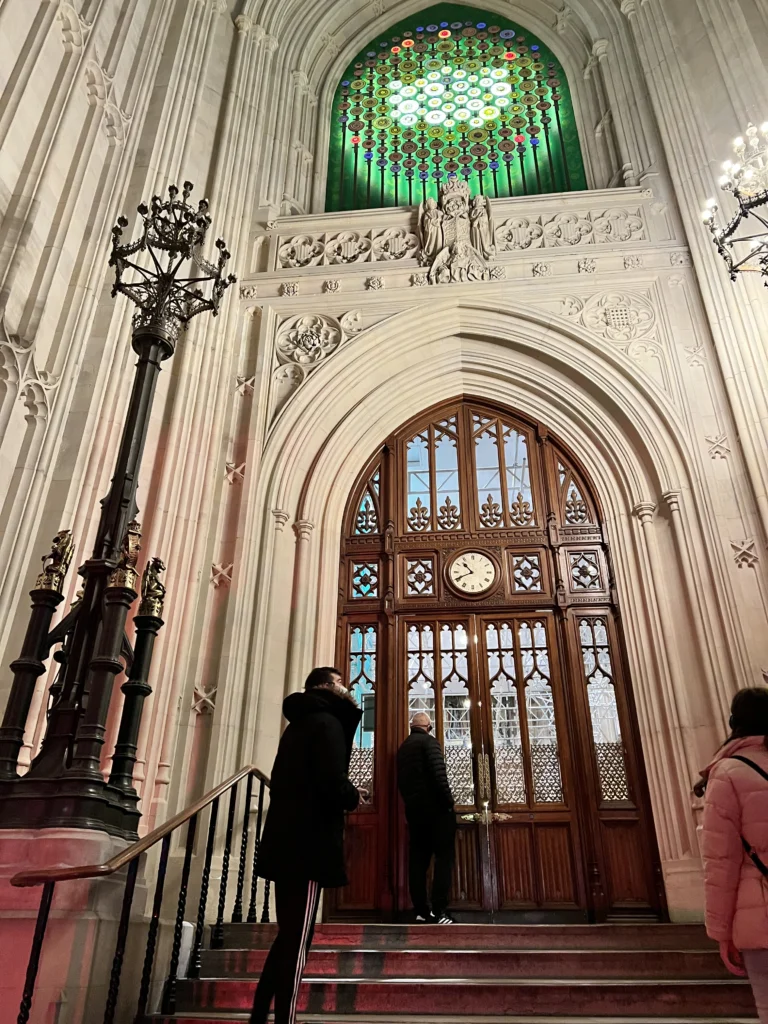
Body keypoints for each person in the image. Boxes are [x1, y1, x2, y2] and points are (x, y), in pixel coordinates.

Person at [250, 667, 365, 1024]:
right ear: (328, 687)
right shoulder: (327, 723)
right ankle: (284, 1018)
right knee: (298, 940)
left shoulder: (298, 725)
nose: (347, 688)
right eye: (341, 682)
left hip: (287, 842)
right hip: (308, 844)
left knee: (288, 936)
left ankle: (258, 1016)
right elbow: (331, 781)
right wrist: (353, 796)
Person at [698, 686, 768, 1022]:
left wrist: (721, 932)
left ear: (733, 721)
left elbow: (721, 864)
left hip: (761, 915)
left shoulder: (727, 774)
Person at [397, 711, 456, 924]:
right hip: (437, 812)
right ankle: (440, 911)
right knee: (443, 859)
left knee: (418, 861)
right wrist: (449, 803)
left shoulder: (403, 748)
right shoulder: (429, 743)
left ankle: (421, 911)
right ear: (429, 727)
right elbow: (439, 776)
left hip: (415, 813)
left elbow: (402, 782)